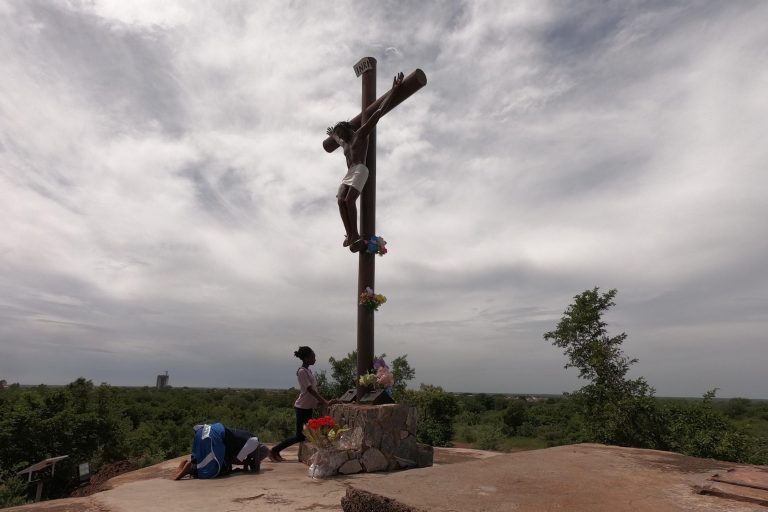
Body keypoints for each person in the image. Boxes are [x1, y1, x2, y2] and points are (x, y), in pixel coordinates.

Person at [327, 72, 404, 253]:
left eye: (340, 132)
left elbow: (377, 113)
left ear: (347, 129)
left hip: (360, 169)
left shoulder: (359, 135)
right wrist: (332, 135)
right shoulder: (344, 143)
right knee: (340, 201)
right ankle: (351, 234)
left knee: (349, 200)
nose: (339, 136)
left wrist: (394, 91)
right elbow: (337, 141)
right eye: (338, 134)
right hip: (349, 173)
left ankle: (356, 234)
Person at [269, 346, 336, 462]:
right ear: (306, 358)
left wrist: (320, 402)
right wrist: (325, 402)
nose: (315, 359)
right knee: (300, 436)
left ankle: (276, 451)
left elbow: (313, 391)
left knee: (307, 434)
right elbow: (310, 390)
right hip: (302, 407)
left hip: (307, 407)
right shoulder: (302, 372)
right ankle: (274, 451)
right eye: (313, 357)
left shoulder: (308, 371)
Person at [173, 423, 270, 480]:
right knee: (217, 470)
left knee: (206, 456)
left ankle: (188, 464)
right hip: (215, 436)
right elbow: (235, 460)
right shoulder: (253, 441)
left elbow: (237, 457)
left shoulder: (246, 438)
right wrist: (250, 463)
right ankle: (190, 469)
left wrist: (246, 465)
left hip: (205, 430)